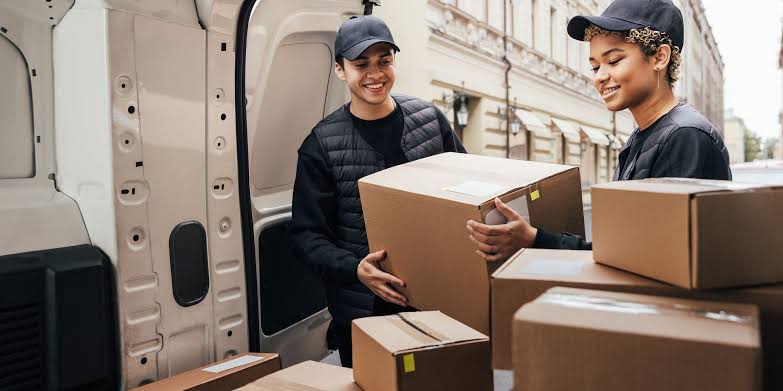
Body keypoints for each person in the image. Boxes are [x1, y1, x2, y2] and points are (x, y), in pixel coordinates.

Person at [466, 0, 731, 257]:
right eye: (594, 66)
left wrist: (535, 240)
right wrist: (534, 238)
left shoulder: (684, 136)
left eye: (613, 61)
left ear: (659, 57)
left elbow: (651, 260)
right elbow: (624, 249)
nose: (600, 76)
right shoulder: (645, 135)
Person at [290, 15, 465, 367]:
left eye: (384, 60)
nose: (375, 74)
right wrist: (356, 268)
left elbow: (464, 193)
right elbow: (308, 236)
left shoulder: (430, 120)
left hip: (438, 299)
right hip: (363, 309)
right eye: (361, 64)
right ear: (340, 70)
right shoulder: (321, 145)